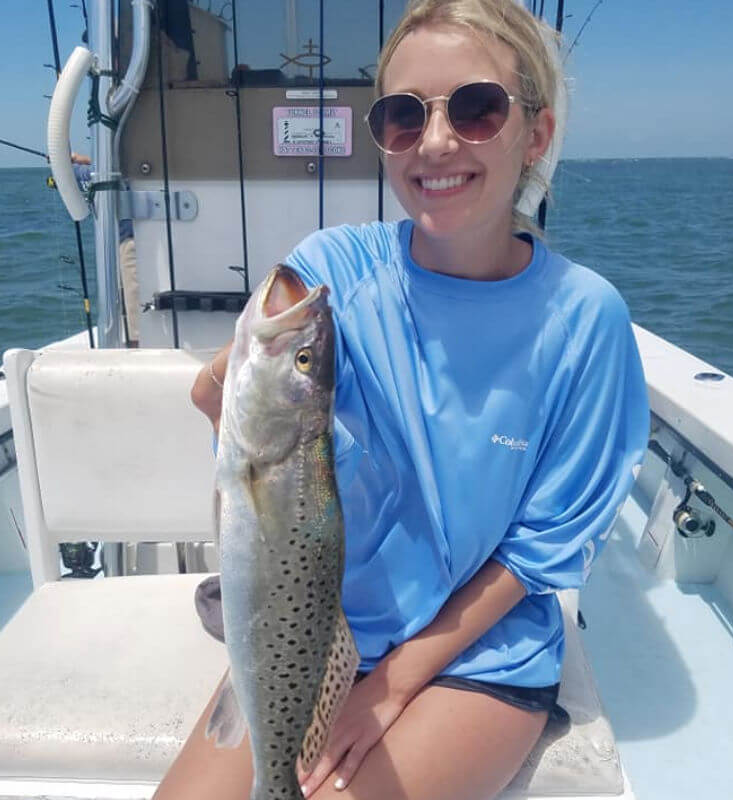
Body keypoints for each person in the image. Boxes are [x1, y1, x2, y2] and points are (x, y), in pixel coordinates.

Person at [160, 1, 649, 799]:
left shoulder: (585, 320)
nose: (436, 141)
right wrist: (232, 379)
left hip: (478, 654)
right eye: (403, 115)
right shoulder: (335, 270)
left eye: (477, 109)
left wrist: (388, 690)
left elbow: (540, 551)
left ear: (537, 134)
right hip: (315, 627)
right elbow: (229, 410)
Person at [70, 153, 141, 347]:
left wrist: (67, 164)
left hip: (129, 243)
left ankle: (137, 349)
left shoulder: (107, 172)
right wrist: (84, 160)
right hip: (132, 240)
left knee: (134, 313)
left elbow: (92, 174)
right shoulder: (134, 162)